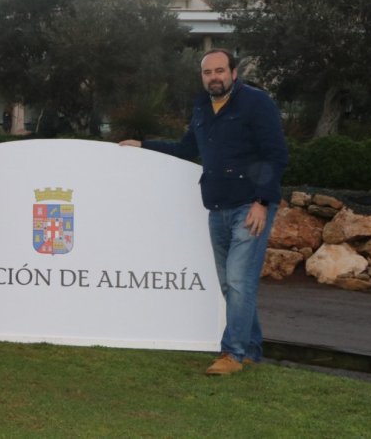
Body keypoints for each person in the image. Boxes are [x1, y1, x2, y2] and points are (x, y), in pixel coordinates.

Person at [120, 49, 287, 376]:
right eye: (208, 72)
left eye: (220, 70)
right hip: (217, 207)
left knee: (238, 281)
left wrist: (262, 202)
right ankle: (251, 348)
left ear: (233, 73)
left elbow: (276, 154)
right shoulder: (201, 107)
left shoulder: (257, 103)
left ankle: (232, 354)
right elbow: (186, 149)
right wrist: (143, 146)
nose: (214, 77)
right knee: (230, 285)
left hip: (250, 206)